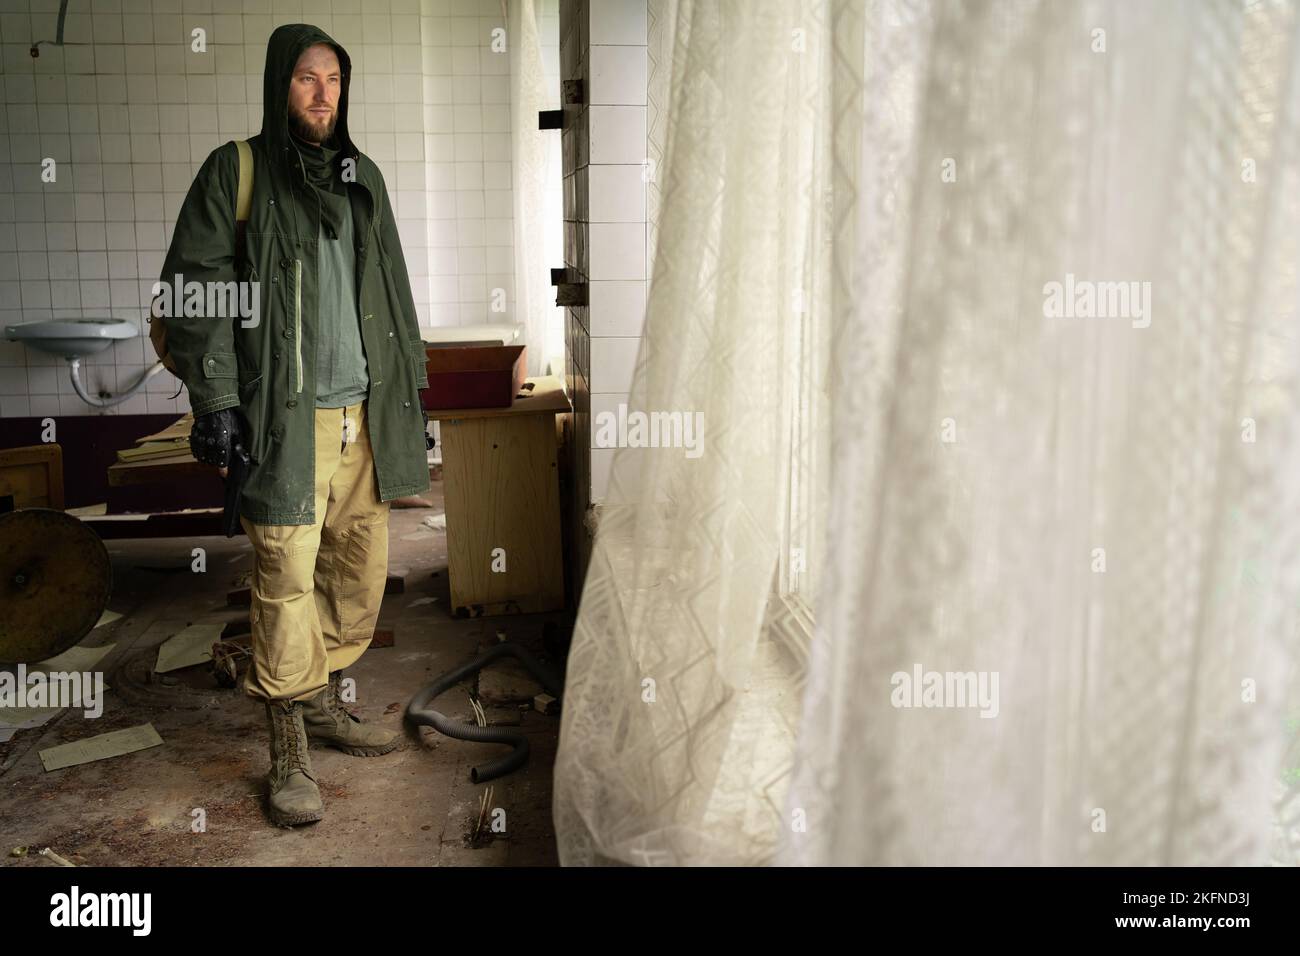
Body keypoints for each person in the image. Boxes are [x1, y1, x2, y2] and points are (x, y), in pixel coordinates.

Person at [157, 23, 431, 827]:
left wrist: (412, 396)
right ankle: (288, 744)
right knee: (283, 581)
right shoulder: (236, 172)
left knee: (357, 574)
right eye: (307, 79)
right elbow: (193, 289)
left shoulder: (361, 177)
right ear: (282, 85)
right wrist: (213, 401)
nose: (322, 94)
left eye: (334, 81)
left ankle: (315, 698)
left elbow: (395, 294)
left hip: (365, 416)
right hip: (286, 419)